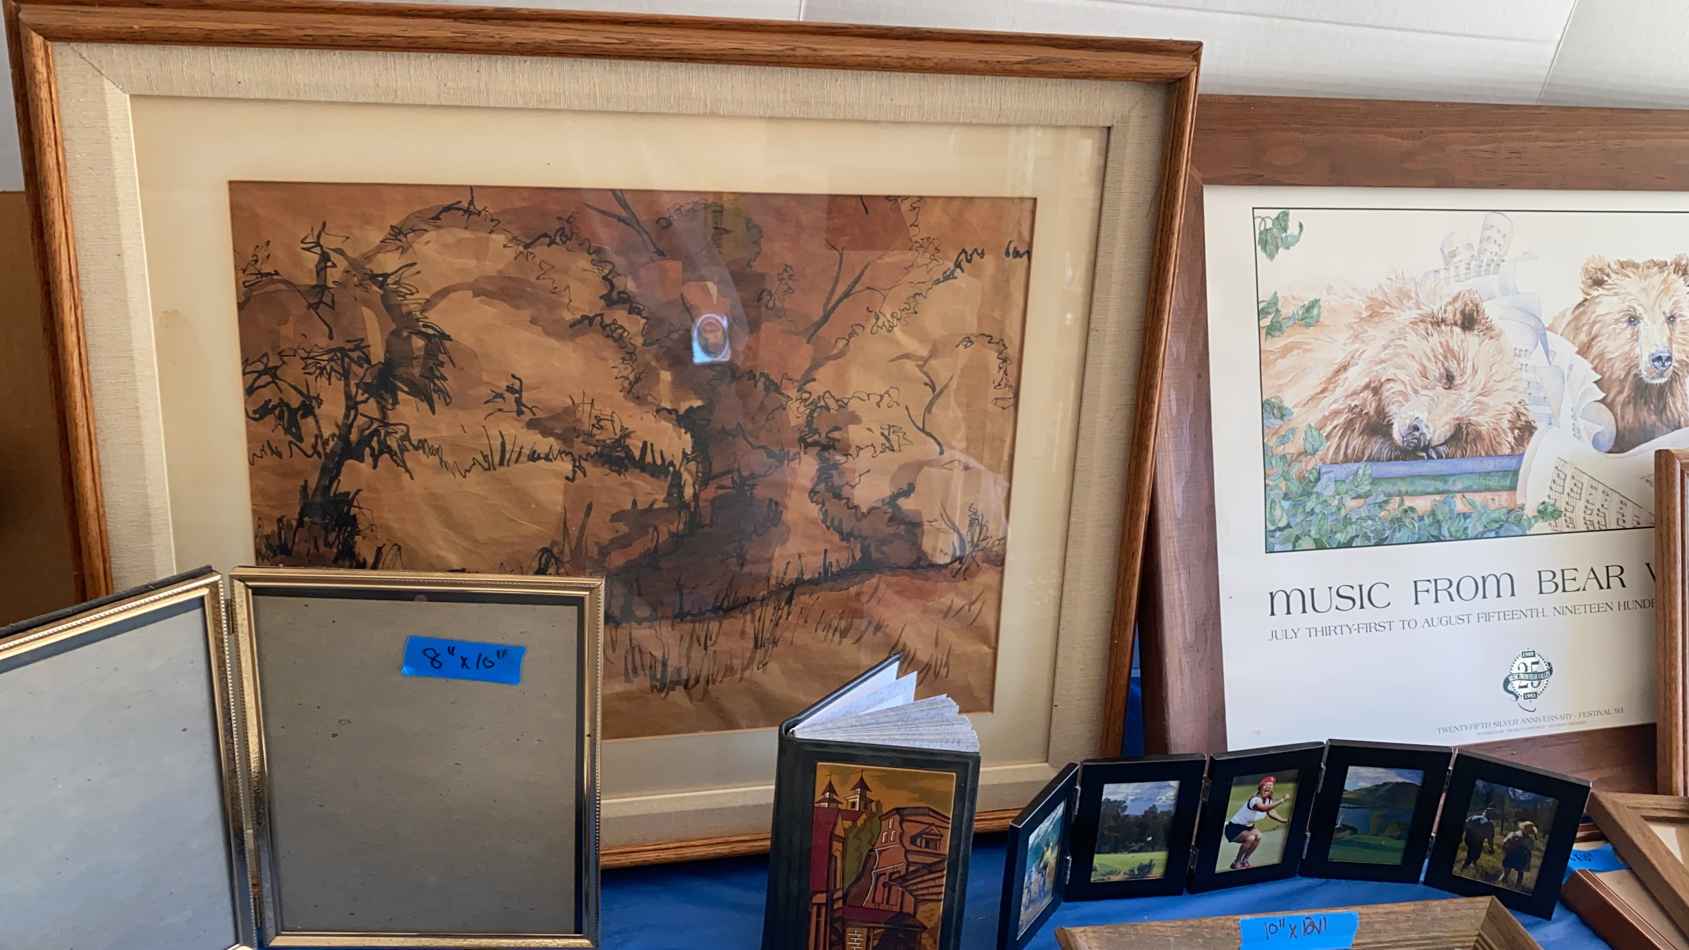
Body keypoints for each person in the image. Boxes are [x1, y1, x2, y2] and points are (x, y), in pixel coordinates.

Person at [1222, 776, 1290, 870]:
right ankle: (1236, 862)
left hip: (1248, 828)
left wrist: (1284, 820)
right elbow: (1263, 809)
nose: (1268, 787)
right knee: (1250, 838)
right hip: (1234, 829)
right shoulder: (1255, 800)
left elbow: (1271, 812)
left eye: (1271, 786)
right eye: (1266, 785)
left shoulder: (1268, 800)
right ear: (1260, 787)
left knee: (1259, 836)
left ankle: (1245, 860)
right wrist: (1282, 800)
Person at [1499, 821, 1539, 888]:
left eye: (1530, 830)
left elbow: (1505, 843)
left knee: (1515, 872)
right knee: (1513, 872)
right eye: (1528, 829)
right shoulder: (1517, 835)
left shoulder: (1516, 835)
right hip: (1516, 855)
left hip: (1516, 856)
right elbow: (1505, 843)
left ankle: (1507, 884)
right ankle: (1507, 884)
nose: (1529, 831)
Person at [1461, 806, 1498, 870]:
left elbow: (1464, 824)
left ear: (1484, 813)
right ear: (1490, 816)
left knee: (1471, 852)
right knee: (1474, 854)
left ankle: (1472, 863)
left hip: (1467, 839)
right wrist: (1491, 848)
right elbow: (1490, 839)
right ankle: (1464, 868)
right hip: (1477, 842)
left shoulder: (1474, 817)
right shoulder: (1489, 824)